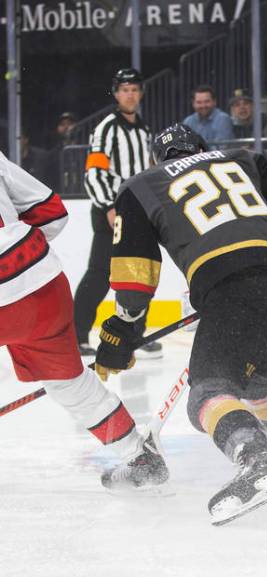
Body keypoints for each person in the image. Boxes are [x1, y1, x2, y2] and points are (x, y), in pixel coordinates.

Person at [94, 124, 267, 525]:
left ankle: (256, 460)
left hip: (226, 284)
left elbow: (135, 280)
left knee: (207, 392)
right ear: (202, 148)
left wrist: (121, 332)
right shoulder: (241, 159)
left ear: (156, 159)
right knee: (258, 383)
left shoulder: (141, 186)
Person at [0, 149, 158, 490]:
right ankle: (138, 456)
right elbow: (52, 212)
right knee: (71, 384)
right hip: (40, 279)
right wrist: (19, 252)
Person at [76, 68, 157, 359]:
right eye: (125, 89)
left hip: (137, 212)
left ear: (141, 93)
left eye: (135, 89)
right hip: (110, 211)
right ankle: (77, 335)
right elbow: (94, 174)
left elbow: (145, 173)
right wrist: (111, 205)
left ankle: (136, 335)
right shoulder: (106, 128)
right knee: (99, 275)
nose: (130, 94)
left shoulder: (144, 130)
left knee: (140, 273)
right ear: (116, 93)